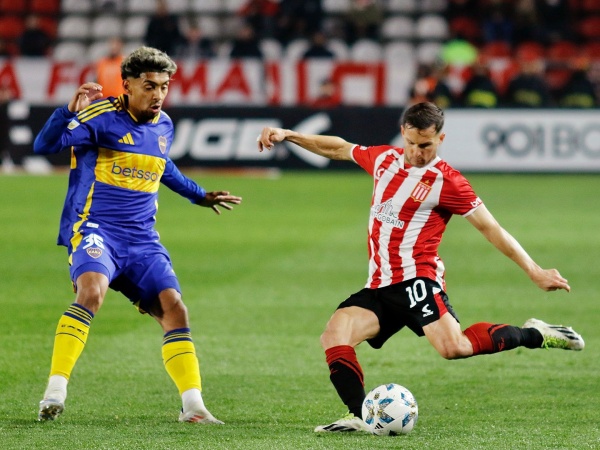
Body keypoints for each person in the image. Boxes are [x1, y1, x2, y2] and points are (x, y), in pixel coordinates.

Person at [257, 102, 584, 433]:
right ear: (403, 132)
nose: (416, 152)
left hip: (418, 280)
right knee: (334, 336)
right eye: (411, 143)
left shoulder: (448, 181)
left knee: (454, 348)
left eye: (425, 144)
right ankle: (361, 415)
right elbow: (339, 148)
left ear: (441, 138)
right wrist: (289, 135)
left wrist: (534, 270)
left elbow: (491, 228)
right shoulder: (384, 160)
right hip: (380, 284)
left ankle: (535, 334)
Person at [34, 46, 242, 424]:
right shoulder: (100, 117)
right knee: (91, 291)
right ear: (127, 85)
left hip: (143, 240)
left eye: (164, 86)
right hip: (96, 229)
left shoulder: (164, 125)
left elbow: (164, 166)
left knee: (175, 309)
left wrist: (199, 195)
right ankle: (55, 389)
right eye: (150, 86)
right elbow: (44, 146)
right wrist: (67, 111)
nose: (158, 94)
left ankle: (193, 406)